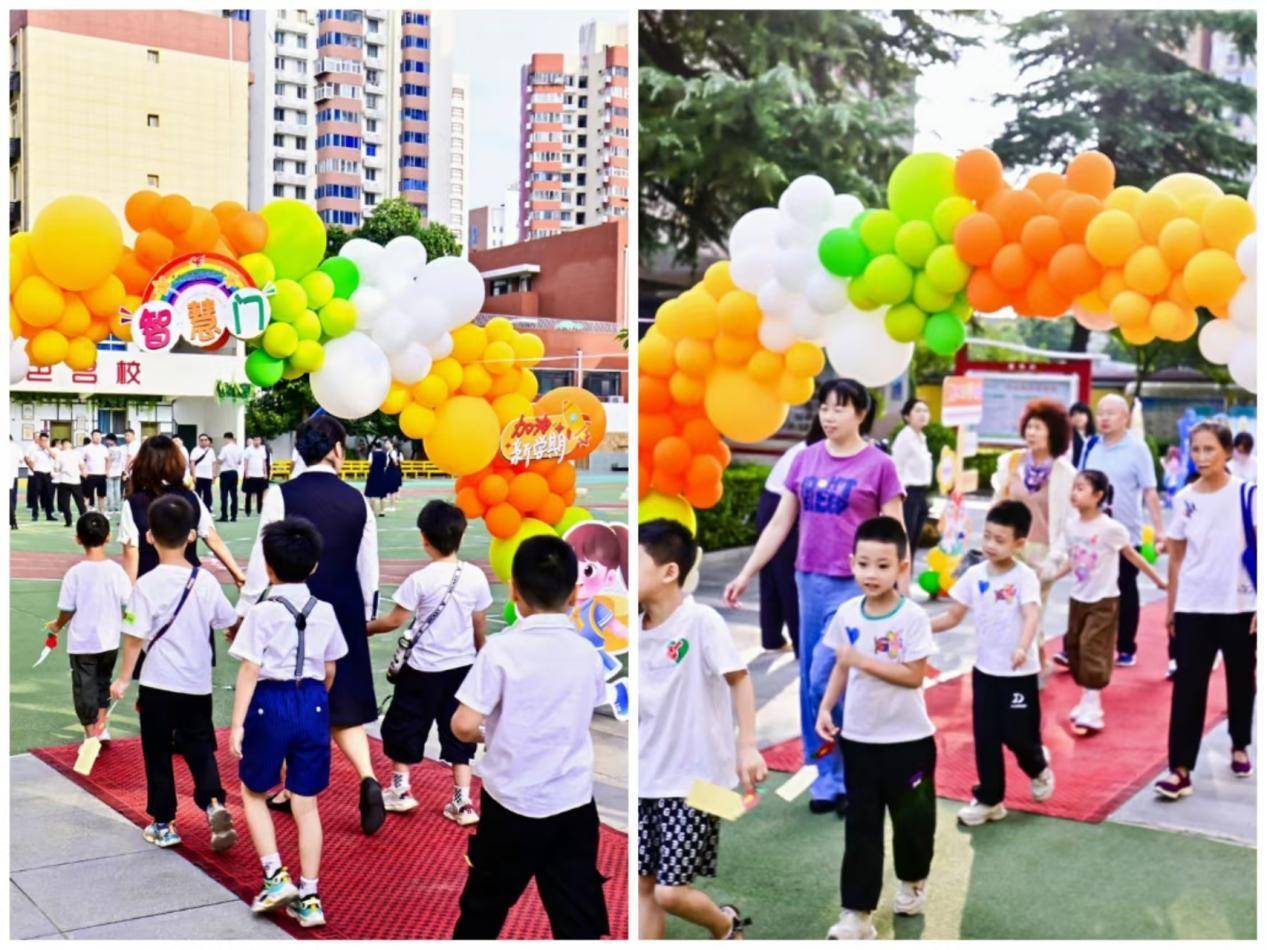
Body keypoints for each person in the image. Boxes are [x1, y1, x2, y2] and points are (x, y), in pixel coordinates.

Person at [723, 378, 904, 814]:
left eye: (839, 408)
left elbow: (895, 531)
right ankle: (826, 775)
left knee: (837, 677)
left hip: (857, 587)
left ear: (861, 413)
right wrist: (748, 571)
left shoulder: (879, 465)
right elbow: (781, 523)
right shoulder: (803, 460)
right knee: (811, 683)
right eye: (824, 407)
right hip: (809, 581)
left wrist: (900, 590)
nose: (828, 416)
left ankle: (855, 773)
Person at [450, 536, 610, 940]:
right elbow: (589, 704)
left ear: (514, 590)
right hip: (572, 802)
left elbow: (464, 725)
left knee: (485, 905)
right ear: (575, 594)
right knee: (576, 911)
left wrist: (490, 732)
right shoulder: (587, 652)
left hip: (511, 803)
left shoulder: (502, 650)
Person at [236, 415, 385, 835]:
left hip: (291, 608)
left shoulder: (282, 494)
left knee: (289, 691)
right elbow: (367, 565)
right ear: (336, 449)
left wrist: (247, 607)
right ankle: (368, 776)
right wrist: (367, 613)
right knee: (345, 705)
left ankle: (288, 790)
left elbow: (260, 556)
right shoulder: (357, 500)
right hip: (343, 612)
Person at [637, 519, 766, 940]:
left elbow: (739, 678)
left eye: (634, 564)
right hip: (645, 778)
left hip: (695, 781)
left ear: (669, 571)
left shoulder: (701, 621)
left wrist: (747, 746)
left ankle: (724, 924)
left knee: (670, 892)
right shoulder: (628, 631)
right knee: (643, 886)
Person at [815, 517, 936, 940]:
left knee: (912, 826)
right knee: (861, 829)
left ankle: (912, 881)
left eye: (883, 565)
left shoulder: (913, 617)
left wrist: (861, 660)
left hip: (910, 744)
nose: (872, 573)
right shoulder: (847, 614)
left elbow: (913, 675)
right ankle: (856, 914)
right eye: (864, 563)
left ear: (902, 567)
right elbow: (840, 668)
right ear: (851, 563)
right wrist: (827, 708)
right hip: (861, 742)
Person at [230, 518, 347, 929]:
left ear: (267, 565)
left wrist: (237, 725)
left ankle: (274, 875)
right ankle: (311, 895)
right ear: (314, 565)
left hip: (270, 702)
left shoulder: (262, 611)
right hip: (313, 701)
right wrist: (317, 702)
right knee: (306, 802)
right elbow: (330, 667)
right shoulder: (326, 610)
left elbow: (249, 670)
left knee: (253, 789)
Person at [110, 495, 239, 851]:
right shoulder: (206, 582)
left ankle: (164, 822)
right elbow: (227, 623)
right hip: (196, 684)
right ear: (193, 535)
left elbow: (134, 638)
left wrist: (122, 679)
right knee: (199, 746)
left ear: (149, 536)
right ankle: (213, 802)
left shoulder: (146, 586)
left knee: (157, 752)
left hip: (156, 685)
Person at [367, 500, 491, 823]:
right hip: (461, 668)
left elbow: (395, 620)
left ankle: (401, 789)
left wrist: (363, 629)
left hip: (421, 669)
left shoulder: (419, 579)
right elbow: (479, 623)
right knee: (458, 732)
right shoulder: (475, 576)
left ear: (424, 538)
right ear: (460, 538)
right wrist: (481, 655)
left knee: (404, 725)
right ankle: (462, 802)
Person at [931, 501, 1054, 824]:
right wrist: (918, 625)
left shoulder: (1024, 576)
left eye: (1000, 540)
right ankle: (990, 798)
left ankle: (1038, 767)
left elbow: (1031, 614)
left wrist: (1022, 648)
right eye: (987, 536)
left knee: (1018, 736)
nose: (990, 545)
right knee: (985, 737)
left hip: (1018, 673)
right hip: (985, 671)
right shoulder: (974, 574)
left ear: (1019, 543)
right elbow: (954, 615)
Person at [1156, 423, 1256, 800]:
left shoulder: (1249, 494)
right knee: (1187, 689)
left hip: (1239, 606)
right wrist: (1171, 607)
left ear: (1227, 452)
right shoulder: (1183, 498)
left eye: (1209, 450)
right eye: (1195, 450)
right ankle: (1179, 769)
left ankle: (1240, 743)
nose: (1201, 457)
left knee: (1241, 681)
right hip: (1194, 606)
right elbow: (1177, 559)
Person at [1043, 471, 1166, 736]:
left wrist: (1158, 580)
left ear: (1098, 495)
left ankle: (1092, 706)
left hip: (1104, 599)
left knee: (1092, 647)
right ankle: (1087, 700)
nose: (1074, 493)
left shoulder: (1110, 528)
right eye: (1074, 487)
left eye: (1081, 488)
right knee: (1075, 648)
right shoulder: (1071, 525)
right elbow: (1071, 560)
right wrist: (1050, 575)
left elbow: (1132, 555)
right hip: (1079, 598)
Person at [1072, 394, 1167, 670]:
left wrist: (1159, 531)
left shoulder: (1138, 449)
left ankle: (1126, 646)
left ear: (1125, 417)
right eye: (1100, 412)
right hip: (1092, 533)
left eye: (1111, 413)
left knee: (1125, 589)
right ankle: (1075, 643)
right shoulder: (1091, 446)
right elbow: (1079, 483)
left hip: (1126, 533)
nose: (1103, 418)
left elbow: (1149, 491)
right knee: (1088, 586)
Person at [991, 399, 1076, 678]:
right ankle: (1026, 660)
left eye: (1038, 427)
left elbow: (1068, 522)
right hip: (1011, 548)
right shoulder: (1011, 462)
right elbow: (998, 502)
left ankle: (1034, 662)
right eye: (1029, 427)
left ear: (1053, 432)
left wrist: (1056, 559)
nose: (1031, 433)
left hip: (1043, 552)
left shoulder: (1065, 473)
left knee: (1032, 608)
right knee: (1006, 607)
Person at [45, 511, 131, 739]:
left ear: (78, 538)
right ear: (108, 537)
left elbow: (67, 609)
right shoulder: (116, 571)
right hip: (110, 639)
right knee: (103, 682)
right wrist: (131, 624)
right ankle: (100, 727)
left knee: (84, 689)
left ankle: (91, 732)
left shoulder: (75, 574)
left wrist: (57, 625)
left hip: (83, 643)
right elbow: (129, 606)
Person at [119, 435, 244, 588]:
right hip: (189, 583)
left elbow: (131, 555)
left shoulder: (133, 503)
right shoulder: (191, 497)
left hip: (149, 584)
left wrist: (130, 598)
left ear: (142, 463)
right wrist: (236, 572)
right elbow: (212, 538)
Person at [754, 422, 817, 653]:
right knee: (789, 580)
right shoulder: (811, 453)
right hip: (781, 507)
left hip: (769, 502)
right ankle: (801, 644)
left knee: (772, 575)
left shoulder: (802, 449)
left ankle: (772, 638)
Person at [892, 398, 934, 558]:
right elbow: (896, 467)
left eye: (925, 411)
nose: (922, 415)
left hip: (921, 494)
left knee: (915, 539)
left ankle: (906, 578)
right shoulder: (905, 437)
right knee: (906, 539)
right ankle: (897, 579)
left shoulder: (921, 438)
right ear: (907, 416)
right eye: (917, 411)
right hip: (908, 494)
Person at [54, 438, 87, 528]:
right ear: (70, 445)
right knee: (80, 502)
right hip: (75, 481)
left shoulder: (60, 454)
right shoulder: (77, 453)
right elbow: (82, 465)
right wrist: (82, 472)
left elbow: (56, 468)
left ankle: (68, 521)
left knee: (65, 503)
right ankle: (84, 519)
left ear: (63, 445)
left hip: (64, 481)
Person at [25, 431, 56, 522]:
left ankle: (49, 515)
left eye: (46, 440)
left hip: (48, 474)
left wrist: (48, 448)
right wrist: (33, 469)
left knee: (49, 495)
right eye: (42, 440)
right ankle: (35, 515)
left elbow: (55, 457)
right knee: (35, 495)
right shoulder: (34, 450)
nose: (44, 442)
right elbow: (30, 461)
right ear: (39, 440)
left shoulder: (50, 449)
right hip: (38, 474)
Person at [217, 432, 243, 523]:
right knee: (234, 495)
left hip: (225, 472)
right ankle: (234, 516)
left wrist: (218, 460)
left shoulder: (225, 448)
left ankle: (224, 515)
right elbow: (239, 462)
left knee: (224, 495)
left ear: (226, 438)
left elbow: (220, 460)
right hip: (234, 472)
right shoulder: (238, 449)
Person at [242, 435, 271, 517]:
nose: (257, 442)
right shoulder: (248, 449)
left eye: (258, 440)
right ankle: (247, 510)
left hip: (260, 475)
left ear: (260, 441)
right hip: (250, 475)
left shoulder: (263, 449)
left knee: (260, 494)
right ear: (253, 440)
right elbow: (246, 462)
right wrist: (246, 472)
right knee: (248, 494)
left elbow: (264, 462)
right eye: (255, 440)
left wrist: (265, 473)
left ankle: (259, 510)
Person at [82, 430, 110, 512]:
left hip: (101, 475)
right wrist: (83, 471)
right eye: (95, 435)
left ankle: (102, 513)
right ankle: (86, 513)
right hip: (90, 474)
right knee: (87, 496)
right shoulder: (86, 448)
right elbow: (81, 460)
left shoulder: (104, 448)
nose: (97, 437)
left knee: (101, 496)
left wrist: (107, 471)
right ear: (91, 437)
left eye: (99, 436)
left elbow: (108, 460)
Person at [364, 439, 390, 517]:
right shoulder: (385, 454)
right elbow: (386, 465)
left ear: (374, 446)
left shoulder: (372, 454)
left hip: (373, 474)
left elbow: (369, 463)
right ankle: (382, 511)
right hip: (382, 475)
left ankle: (373, 511)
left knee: (372, 494)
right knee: (382, 495)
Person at [190, 434, 216, 510]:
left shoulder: (211, 451)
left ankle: (207, 509)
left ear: (208, 441)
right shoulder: (195, 450)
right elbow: (192, 463)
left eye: (205, 440)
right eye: (201, 440)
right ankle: (197, 509)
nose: (203, 441)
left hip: (208, 476)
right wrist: (193, 475)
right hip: (198, 475)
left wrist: (214, 475)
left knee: (207, 493)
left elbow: (213, 463)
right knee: (197, 493)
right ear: (199, 441)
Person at [1068, 401, 1093, 468]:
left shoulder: (1095, 438)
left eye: (1081, 413)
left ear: (1088, 416)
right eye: (1074, 415)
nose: (1077, 417)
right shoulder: (1068, 437)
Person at [105, 435, 125, 515]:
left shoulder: (108, 450)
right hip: (118, 471)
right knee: (117, 490)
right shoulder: (120, 449)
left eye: (108, 440)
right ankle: (118, 507)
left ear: (112, 441)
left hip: (111, 471)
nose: (106, 441)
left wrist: (106, 470)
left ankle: (110, 508)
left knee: (110, 490)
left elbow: (108, 461)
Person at [385, 438, 402, 513]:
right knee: (391, 490)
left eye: (388, 443)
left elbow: (396, 462)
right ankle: (391, 506)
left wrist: (396, 463)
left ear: (392, 444)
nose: (386, 445)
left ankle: (393, 506)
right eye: (386, 443)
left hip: (392, 472)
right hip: (390, 471)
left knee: (392, 490)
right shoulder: (388, 452)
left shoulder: (393, 452)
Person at [10, 435, 22, 530]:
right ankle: (13, 522)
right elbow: (21, 461)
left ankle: (12, 521)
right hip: (13, 475)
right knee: (11, 498)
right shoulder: (16, 447)